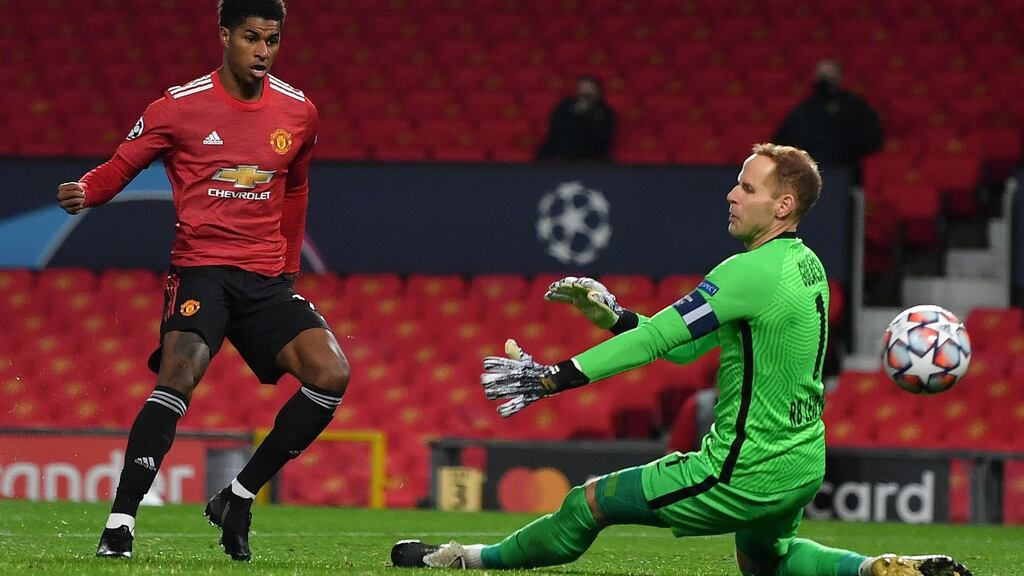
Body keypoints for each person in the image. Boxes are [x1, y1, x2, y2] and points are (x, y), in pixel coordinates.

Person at [390, 144, 972, 576]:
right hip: (801, 463)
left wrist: (555, 377)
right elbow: (687, 343)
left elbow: (657, 343)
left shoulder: (746, 272)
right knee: (769, 562)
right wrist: (616, 316)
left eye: (747, 186)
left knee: (587, 502)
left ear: (783, 203)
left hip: (738, 470)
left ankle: (465, 559)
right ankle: (879, 569)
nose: (732, 194)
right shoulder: (807, 265)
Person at [56, 0, 350, 562]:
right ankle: (120, 522)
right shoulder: (179, 107)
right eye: (251, 38)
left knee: (331, 373)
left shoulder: (299, 112)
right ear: (224, 35)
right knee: (179, 376)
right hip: (202, 271)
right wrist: (88, 190)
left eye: (272, 40)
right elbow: (123, 162)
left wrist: (287, 266)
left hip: (265, 279)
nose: (263, 51)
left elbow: (295, 190)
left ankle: (238, 496)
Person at [773, 59, 883, 182]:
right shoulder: (804, 109)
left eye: (829, 73)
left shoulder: (854, 106)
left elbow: (873, 138)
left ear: (839, 76)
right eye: (822, 74)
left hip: (845, 175)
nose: (825, 78)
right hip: (809, 178)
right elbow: (783, 141)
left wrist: (845, 152)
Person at [536, 74, 617, 161]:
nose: (586, 92)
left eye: (590, 88)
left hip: (590, 155)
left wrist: (586, 115)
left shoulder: (605, 113)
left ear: (598, 91)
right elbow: (555, 127)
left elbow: (603, 138)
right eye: (583, 88)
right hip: (561, 151)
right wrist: (577, 112)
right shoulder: (564, 106)